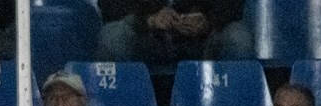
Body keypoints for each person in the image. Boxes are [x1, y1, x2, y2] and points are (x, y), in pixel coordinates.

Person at [97, 0, 252, 63]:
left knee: (237, 38)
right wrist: (149, 19)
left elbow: (233, 5)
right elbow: (110, 5)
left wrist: (208, 21)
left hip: (201, 41)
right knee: (113, 35)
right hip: (147, 38)